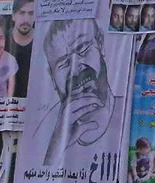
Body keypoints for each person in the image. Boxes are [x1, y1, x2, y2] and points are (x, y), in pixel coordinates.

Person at [30, 18, 116, 165]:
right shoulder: (41, 135)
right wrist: (56, 147)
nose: (76, 70)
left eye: (83, 49)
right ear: (52, 77)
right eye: (63, 64)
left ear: (100, 44)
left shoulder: (128, 116)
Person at [8, 0, 36, 96]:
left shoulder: (43, 42)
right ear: (13, 15)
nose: (26, 19)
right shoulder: (0, 42)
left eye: (31, 14)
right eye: (22, 13)